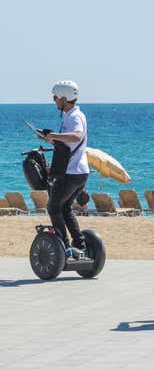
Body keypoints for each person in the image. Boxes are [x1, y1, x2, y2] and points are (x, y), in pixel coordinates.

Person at [43, 80, 90, 258]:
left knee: (54, 207)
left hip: (72, 172)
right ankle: (79, 245)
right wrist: (51, 137)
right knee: (65, 208)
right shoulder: (70, 115)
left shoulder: (74, 117)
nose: (54, 100)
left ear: (64, 98)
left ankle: (65, 246)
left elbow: (77, 136)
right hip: (79, 171)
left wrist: (54, 135)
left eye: (55, 97)